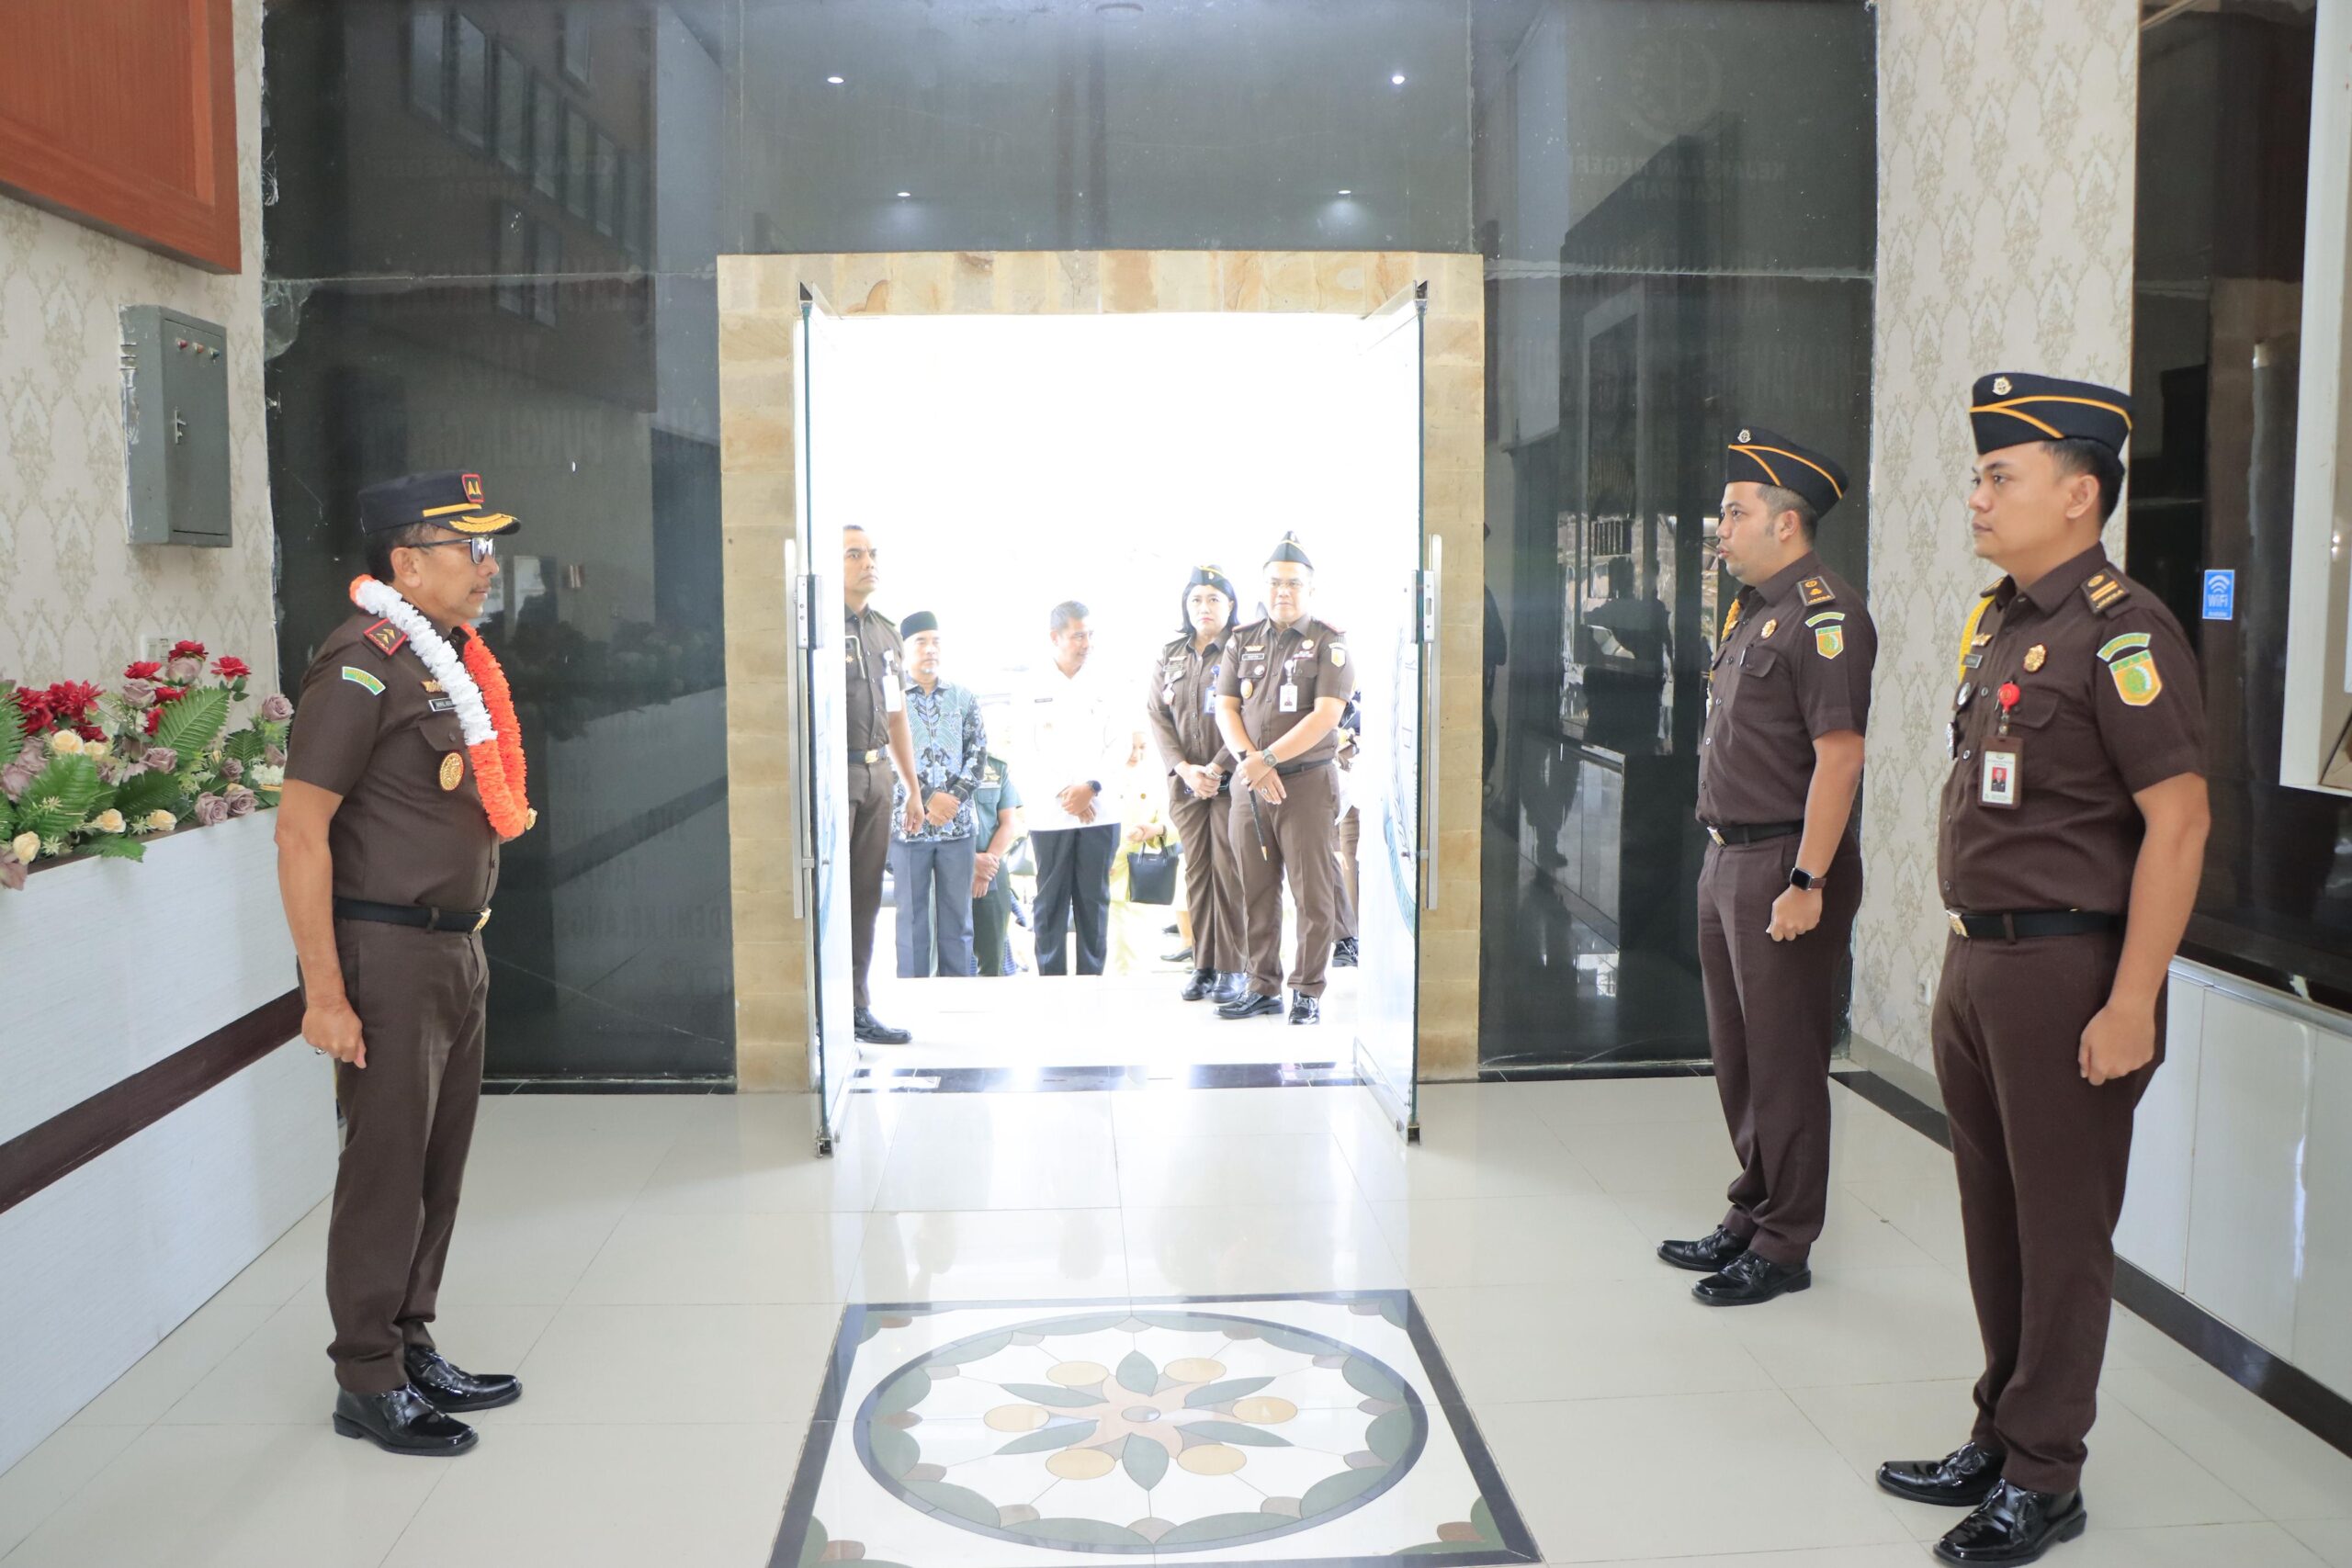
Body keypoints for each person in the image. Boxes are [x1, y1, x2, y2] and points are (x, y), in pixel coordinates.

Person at [1876, 373, 2208, 1567]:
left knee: (2062, 1235)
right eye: (1977, 475)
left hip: (2070, 971)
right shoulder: (2006, 620)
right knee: (1995, 1220)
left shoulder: (2126, 631)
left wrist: (2132, 1000)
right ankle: (2001, 1429)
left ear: (2078, 494)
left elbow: (2179, 823)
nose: (1975, 495)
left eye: (1997, 476)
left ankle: (2045, 1477)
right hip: (1983, 962)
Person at [276, 469, 534, 1456]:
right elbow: (301, 832)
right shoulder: (360, 664)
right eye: (468, 547)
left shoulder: (443, 658)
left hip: (453, 946)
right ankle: (368, 1377)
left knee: (436, 1164)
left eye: (488, 546)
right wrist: (324, 994)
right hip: (385, 952)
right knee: (385, 1169)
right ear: (405, 563)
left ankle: (411, 1342)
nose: (487, 565)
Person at [1657, 427, 1874, 1308]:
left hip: (1786, 863)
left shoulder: (1826, 616)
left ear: (1787, 522)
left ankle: (1786, 1242)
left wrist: (1808, 881)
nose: (1722, 527)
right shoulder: (1755, 609)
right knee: (1741, 1054)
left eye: (1735, 512)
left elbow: (1841, 756)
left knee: (1785, 1061)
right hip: (1730, 857)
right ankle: (1753, 1210)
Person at [1216, 533, 1349, 1024]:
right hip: (1250, 785)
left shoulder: (1329, 643)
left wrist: (1266, 758)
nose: (1283, 592)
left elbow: (1327, 715)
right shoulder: (1242, 640)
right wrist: (1251, 761)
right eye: (1275, 583)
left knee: (1312, 893)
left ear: (1310, 589)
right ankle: (1261, 985)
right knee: (1254, 888)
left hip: (1307, 784)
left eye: (1293, 583)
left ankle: (1308, 990)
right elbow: (1226, 708)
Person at [1145, 565, 1245, 1003]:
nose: (1204, 607)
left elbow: (1251, 713)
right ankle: (1204, 963)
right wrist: (1185, 769)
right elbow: (1157, 715)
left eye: (1213, 599)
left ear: (1230, 605)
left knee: (1229, 870)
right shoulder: (1171, 654)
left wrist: (1217, 768)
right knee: (1197, 872)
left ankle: (1233, 967)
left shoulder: (1245, 647)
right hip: (1186, 783)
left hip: (1232, 780)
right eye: (1196, 600)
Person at [842, 527, 922, 1043]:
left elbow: (896, 717)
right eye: (854, 554)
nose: (868, 562)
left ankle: (856, 1006)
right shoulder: (820, 627)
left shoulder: (885, 633)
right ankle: (824, 1007)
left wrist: (912, 788)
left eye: (871, 554)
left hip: (877, 775)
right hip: (837, 774)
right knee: (830, 897)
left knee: (866, 895)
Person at [1023, 601, 1130, 975]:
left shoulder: (1109, 682)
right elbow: (1025, 751)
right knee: (1049, 904)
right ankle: (1051, 984)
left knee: (1094, 903)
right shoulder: (1030, 684)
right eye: (1078, 636)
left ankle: (1092, 983)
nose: (1086, 644)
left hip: (1100, 811)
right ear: (1055, 637)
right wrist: (1067, 793)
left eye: (1090, 635)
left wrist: (1091, 787)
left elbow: (1121, 744)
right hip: (1050, 814)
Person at [889, 611, 987, 979]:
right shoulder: (891, 697)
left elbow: (978, 755)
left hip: (957, 829)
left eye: (936, 642)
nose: (930, 649)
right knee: (911, 924)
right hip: (909, 827)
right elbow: (884, 753)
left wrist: (952, 800)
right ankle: (913, 1001)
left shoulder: (964, 697)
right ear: (903, 650)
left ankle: (957, 999)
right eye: (921, 642)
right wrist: (928, 797)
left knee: (958, 924)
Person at [969, 750, 1024, 978]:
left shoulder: (995, 767)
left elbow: (1008, 822)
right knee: (946, 957)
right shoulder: (931, 764)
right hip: (947, 865)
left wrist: (985, 868)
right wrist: (970, 862)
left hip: (991, 867)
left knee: (993, 959)